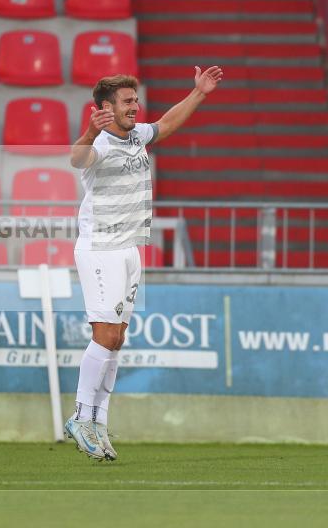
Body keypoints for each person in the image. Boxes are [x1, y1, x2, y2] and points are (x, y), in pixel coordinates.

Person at [65, 67, 223, 461]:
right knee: (104, 335)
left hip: (130, 250)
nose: (135, 107)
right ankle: (80, 416)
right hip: (100, 248)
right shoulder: (98, 143)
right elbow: (77, 158)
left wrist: (198, 93)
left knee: (116, 340)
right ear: (105, 108)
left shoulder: (137, 136)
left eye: (135, 100)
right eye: (127, 102)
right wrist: (87, 132)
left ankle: (100, 421)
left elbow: (166, 123)